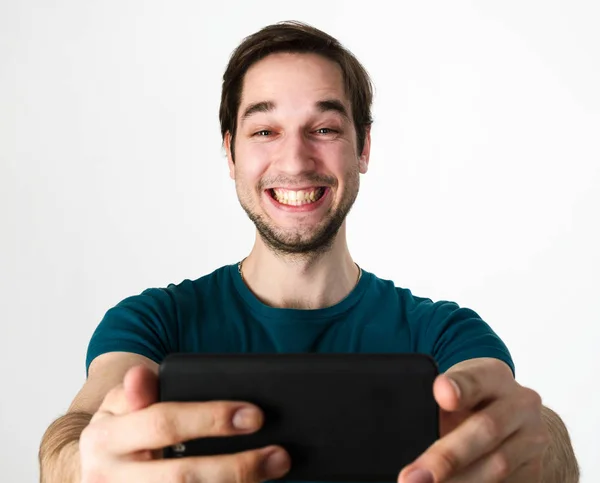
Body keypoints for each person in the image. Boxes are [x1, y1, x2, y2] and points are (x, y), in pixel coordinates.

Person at [39, 21, 579, 483]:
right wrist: (84, 464)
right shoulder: (154, 322)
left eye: (323, 128)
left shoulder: (442, 334)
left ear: (362, 147)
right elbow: (72, 436)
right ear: (229, 152)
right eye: (265, 130)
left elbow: (530, 433)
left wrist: (542, 443)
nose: (295, 160)